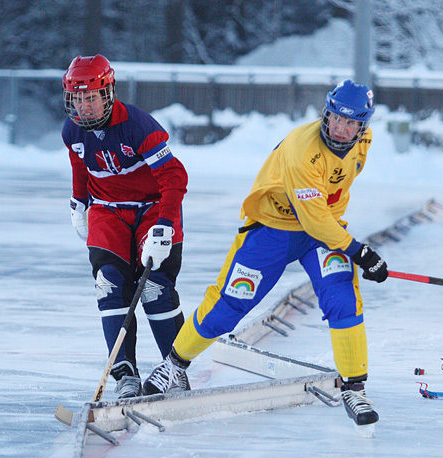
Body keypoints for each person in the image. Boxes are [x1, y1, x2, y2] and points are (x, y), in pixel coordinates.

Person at [142, 80, 389, 429]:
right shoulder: (302, 151)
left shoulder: (364, 142)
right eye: (335, 118)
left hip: (321, 234)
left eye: (351, 123)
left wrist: (348, 248)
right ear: (325, 113)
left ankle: (355, 386)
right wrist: (359, 251)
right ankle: (174, 364)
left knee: (342, 296)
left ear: (363, 126)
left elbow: (324, 213)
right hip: (272, 229)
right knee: (229, 305)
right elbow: (314, 217)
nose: (340, 129)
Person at [61, 54, 189, 399]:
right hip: (107, 210)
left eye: (91, 98)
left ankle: (173, 370)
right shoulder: (72, 131)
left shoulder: (137, 125)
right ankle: (124, 373)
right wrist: (78, 202)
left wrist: (164, 224)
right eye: (78, 99)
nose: (85, 107)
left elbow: (175, 177)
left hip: (153, 208)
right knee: (109, 283)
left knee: (154, 287)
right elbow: (80, 167)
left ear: (108, 93)